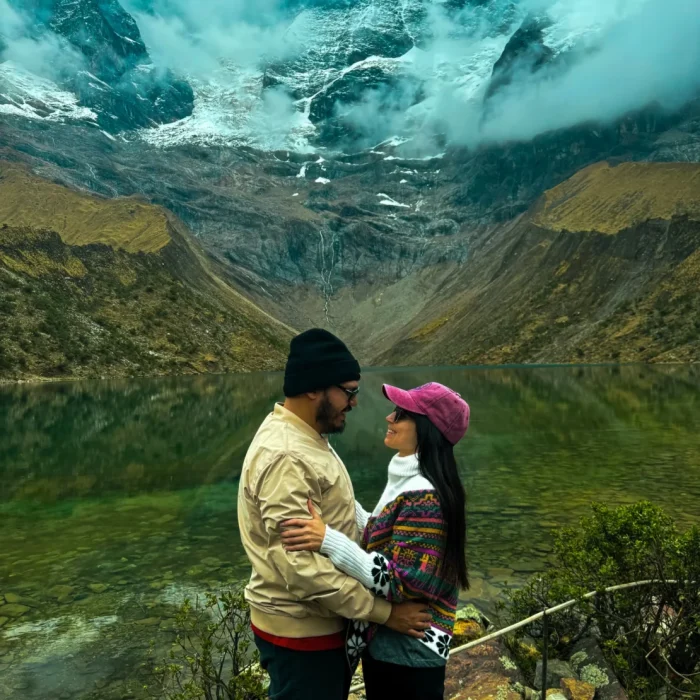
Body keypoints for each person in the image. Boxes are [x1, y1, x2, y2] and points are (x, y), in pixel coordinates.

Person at [238, 329, 433, 700]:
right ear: (314, 388)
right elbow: (303, 571)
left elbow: (339, 513)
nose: (354, 402)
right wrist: (385, 613)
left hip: (314, 623)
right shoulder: (287, 456)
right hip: (301, 631)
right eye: (349, 391)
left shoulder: (306, 436)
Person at [281, 381, 470, 700]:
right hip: (398, 646)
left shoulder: (424, 495)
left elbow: (403, 582)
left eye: (401, 414)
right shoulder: (414, 480)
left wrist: (328, 540)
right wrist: (340, 502)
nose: (389, 418)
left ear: (426, 430)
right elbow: (392, 535)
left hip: (408, 649)